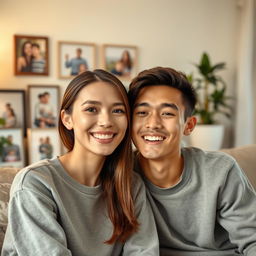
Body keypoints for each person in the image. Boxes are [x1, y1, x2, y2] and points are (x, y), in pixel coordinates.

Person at [2, 70, 159, 255]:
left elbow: (144, 251)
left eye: (118, 110)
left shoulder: (131, 185)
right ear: (67, 119)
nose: (106, 121)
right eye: (91, 109)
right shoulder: (35, 183)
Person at [128, 67, 256, 256]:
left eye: (167, 113)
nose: (153, 123)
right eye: (142, 112)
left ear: (189, 125)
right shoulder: (120, 173)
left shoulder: (221, 170)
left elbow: (252, 240)